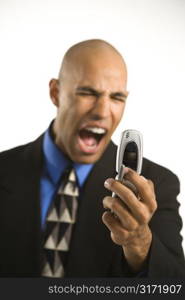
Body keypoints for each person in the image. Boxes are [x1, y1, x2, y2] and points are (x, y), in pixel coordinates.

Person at [0, 39, 185, 278]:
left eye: (117, 98)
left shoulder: (159, 184)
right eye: (87, 92)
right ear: (55, 93)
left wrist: (139, 242)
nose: (101, 111)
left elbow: (173, 287)